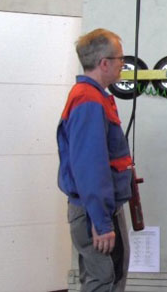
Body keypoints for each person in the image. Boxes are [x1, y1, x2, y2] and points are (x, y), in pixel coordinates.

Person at [57, 28, 132, 292]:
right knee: (104, 281)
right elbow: (90, 167)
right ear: (104, 63)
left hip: (99, 209)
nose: (123, 64)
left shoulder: (92, 97)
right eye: (120, 58)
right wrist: (101, 223)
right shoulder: (88, 100)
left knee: (104, 277)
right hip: (94, 212)